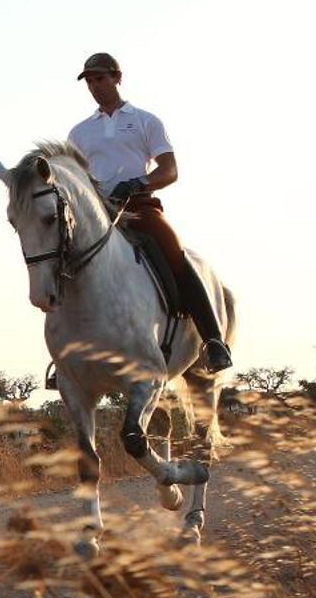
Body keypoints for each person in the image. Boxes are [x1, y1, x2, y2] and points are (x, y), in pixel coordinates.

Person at [68, 53, 233, 372]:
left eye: (100, 78)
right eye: (89, 80)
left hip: (138, 207)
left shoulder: (145, 121)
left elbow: (170, 170)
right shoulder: (79, 133)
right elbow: (74, 176)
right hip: (97, 213)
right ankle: (67, 354)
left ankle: (213, 342)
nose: (94, 85)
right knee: (62, 259)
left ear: (117, 77)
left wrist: (137, 183)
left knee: (174, 253)